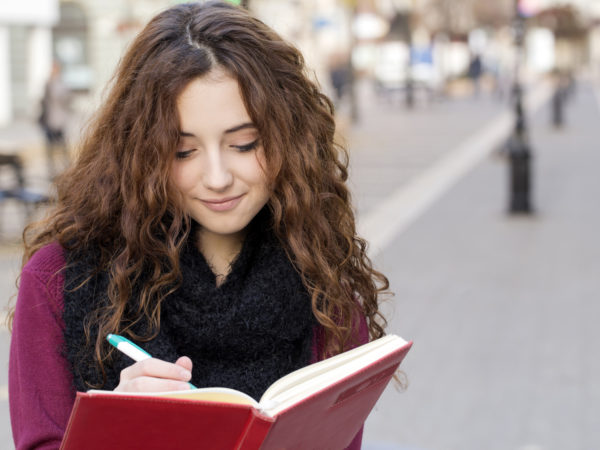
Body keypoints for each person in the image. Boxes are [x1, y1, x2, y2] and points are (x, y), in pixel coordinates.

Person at [8, 2, 389, 449]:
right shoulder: (59, 279)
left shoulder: (326, 288)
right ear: (141, 152)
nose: (217, 177)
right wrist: (114, 428)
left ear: (290, 138)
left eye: (244, 144)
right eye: (182, 151)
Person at [38, 61, 71, 178]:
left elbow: (66, 100)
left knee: (62, 146)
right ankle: (52, 169)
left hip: (58, 120)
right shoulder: (49, 84)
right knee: (51, 146)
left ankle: (66, 167)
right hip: (50, 120)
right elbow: (44, 102)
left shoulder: (60, 84)